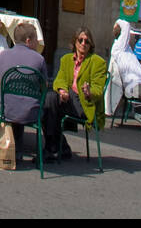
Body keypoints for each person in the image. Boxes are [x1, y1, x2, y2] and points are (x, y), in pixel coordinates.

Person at [44, 27, 106, 161]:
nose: (83, 44)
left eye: (87, 41)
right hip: (68, 101)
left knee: (51, 105)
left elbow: (98, 90)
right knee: (49, 102)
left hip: (84, 105)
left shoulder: (97, 62)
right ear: (75, 42)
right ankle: (56, 147)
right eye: (81, 40)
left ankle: (52, 148)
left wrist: (89, 92)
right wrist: (62, 90)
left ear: (91, 45)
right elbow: (59, 79)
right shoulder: (66, 59)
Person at [0, 20, 51, 160]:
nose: (37, 44)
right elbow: (44, 86)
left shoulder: (2, 56)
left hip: (5, 110)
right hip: (30, 113)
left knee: (9, 97)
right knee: (44, 102)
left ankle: (12, 149)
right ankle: (47, 149)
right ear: (28, 41)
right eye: (35, 40)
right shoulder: (39, 59)